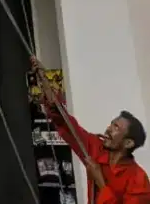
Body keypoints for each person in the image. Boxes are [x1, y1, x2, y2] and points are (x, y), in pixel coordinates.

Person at [31, 56, 150, 204]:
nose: (108, 129)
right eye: (111, 124)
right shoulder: (96, 150)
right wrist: (45, 81)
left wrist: (100, 180)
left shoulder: (138, 179)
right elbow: (65, 122)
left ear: (128, 143)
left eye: (116, 127)